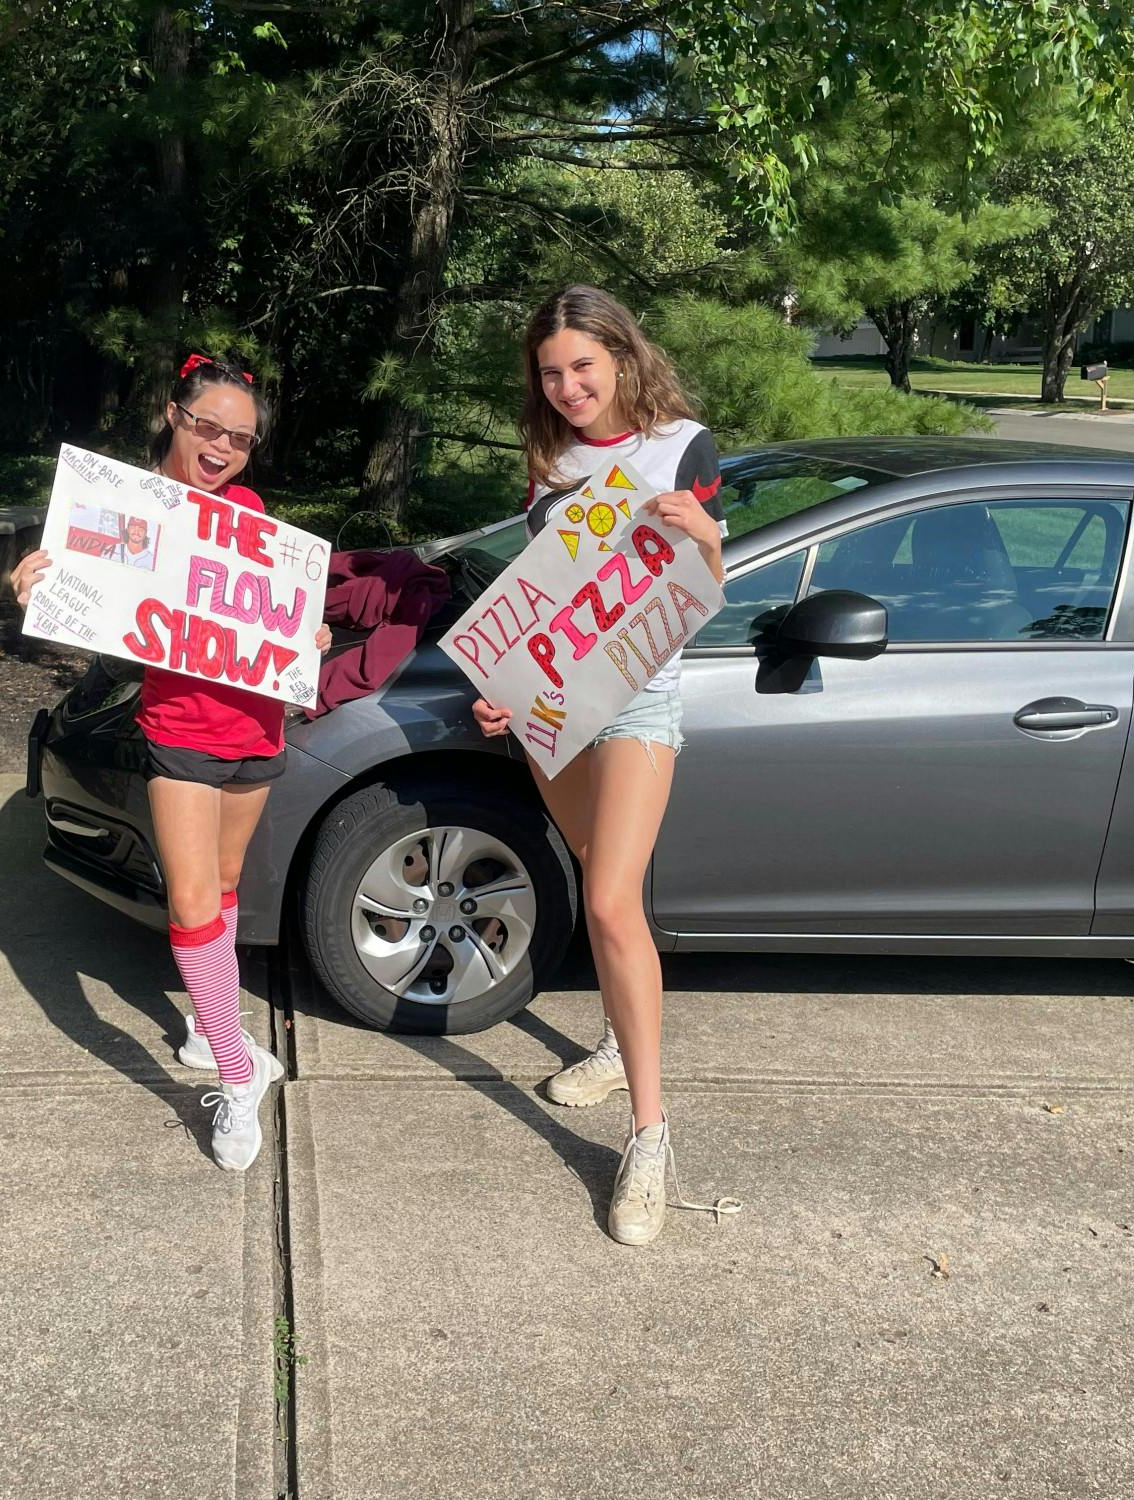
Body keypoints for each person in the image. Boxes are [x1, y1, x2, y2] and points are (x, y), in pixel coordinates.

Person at [12, 352, 328, 1171]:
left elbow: (277, 618)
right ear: (173, 416)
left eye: (242, 438)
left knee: (219, 894)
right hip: (179, 733)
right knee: (190, 904)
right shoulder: (122, 508)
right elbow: (82, 616)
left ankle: (207, 1022)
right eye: (209, 427)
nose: (223, 447)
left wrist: (308, 638)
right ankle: (237, 1070)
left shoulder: (252, 513)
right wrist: (40, 586)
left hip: (257, 734)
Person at [472, 285, 733, 1246]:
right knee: (593, 874)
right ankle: (620, 1044)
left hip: (642, 697)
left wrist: (704, 535)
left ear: (623, 356)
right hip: (554, 704)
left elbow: (705, 585)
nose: (569, 385)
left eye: (583, 365)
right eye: (551, 371)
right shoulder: (550, 462)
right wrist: (505, 686)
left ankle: (651, 1136)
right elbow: (543, 596)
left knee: (614, 902)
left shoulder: (683, 445)